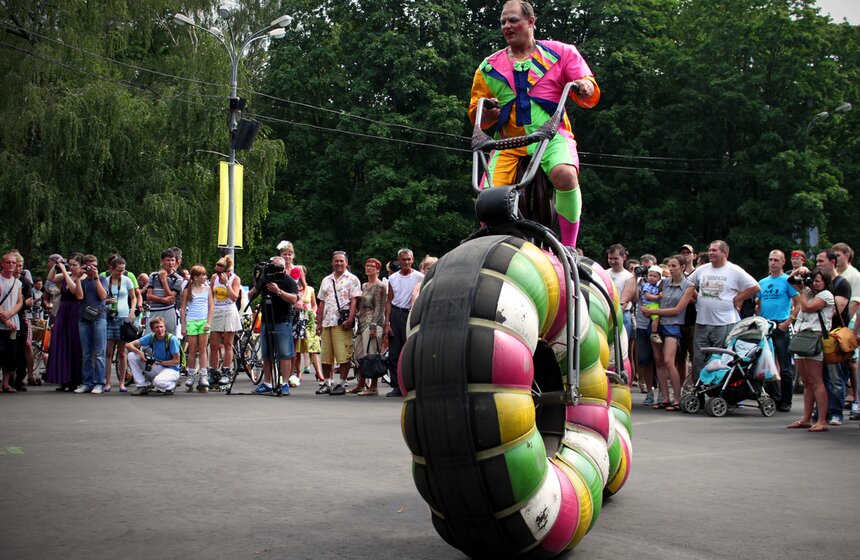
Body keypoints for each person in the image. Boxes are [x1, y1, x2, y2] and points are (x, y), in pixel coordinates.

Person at [468, 0, 600, 248]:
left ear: (531, 22)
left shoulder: (561, 53)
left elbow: (587, 85)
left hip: (551, 137)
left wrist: (585, 86)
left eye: (513, 20)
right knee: (487, 198)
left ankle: (569, 246)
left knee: (565, 174)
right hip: (507, 143)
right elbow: (477, 114)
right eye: (503, 22)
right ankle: (490, 246)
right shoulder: (487, 68)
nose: (507, 26)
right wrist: (487, 110)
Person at [687, 240, 760, 378]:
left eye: (714, 250)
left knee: (720, 359)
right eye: (709, 250)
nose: (710, 253)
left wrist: (739, 298)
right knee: (698, 359)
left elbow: (755, 287)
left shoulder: (734, 270)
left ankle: (718, 390)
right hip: (702, 321)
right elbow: (687, 285)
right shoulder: (702, 269)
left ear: (725, 253)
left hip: (724, 322)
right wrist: (697, 297)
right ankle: (700, 391)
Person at [643, 255, 695, 411]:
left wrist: (655, 311)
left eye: (674, 266)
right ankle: (665, 397)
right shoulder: (664, 283)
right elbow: (651, 295)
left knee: (668, 361)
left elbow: (678, 310)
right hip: (658, 324)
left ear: (682, 267)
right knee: (658, 361)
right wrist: (648, 309)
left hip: (673, 325)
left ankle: (677, 398)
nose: (670, 268)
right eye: (669, 266)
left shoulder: (689, 286)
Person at [786, 269, 834, 433]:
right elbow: (790, 281)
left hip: (814, 338)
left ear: (826, 282)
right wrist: (798, 272)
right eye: (813, 280)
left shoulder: (826, 295)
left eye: (818, 281)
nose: (814, 283)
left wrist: (802, 292)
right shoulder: (807, 291)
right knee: (806, 382)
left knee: (816, 381)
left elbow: (806, 307)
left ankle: (821, 420)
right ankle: (806, 418)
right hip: (801, 337)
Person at [755, 250, 799, 412]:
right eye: (770, 260)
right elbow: (758, 303)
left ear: (783, 262)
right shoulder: (763, 282)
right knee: (767, 364)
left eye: (775, 260)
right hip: (766, 326)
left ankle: (786, 400)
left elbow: (798, 303)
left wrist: (788, 322)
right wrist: (758, 318)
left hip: (781, 324)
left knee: (785, 365)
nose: (772, 263)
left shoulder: (787, 281)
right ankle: (774, 397)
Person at [248, 256, 299, 395]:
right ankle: (267, 383)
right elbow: (251, 295)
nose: (275, 270)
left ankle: (285, 383)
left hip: (283, 320)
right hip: (267, 320)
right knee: (267, 354)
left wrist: (278, 291)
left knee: (285, 353)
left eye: (278, 267)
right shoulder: (265, 279)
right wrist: (258, 281)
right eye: (273, 266)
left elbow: (294, 299)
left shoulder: (288, 280)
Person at [315, 251, 362, 396]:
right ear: (332, 263)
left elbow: (355, 300)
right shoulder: (326, 280)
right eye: (336, 261)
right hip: (327, 321)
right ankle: (327, 382)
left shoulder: (352, 279)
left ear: (346, 263)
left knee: (343, 354)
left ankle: (341, 383)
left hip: (342, 322)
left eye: (341, 261)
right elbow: (321, 302)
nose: (339, 263)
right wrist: (319, 321)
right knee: (326, 355)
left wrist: (351, 319)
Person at [384, 249, 425, 398]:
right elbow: (389, 301)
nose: (406, 262)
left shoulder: (420, 277)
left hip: (412, 314)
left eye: (409, 259)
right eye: (403, 260)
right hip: (397, 314)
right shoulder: (393, 278)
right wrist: (387, 322)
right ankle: (396, 386)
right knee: (394, 353)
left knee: (412, 351)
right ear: (398, 260)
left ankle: (413, 385)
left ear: (413, 260)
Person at [43, 253, 83, 392]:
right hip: (63, 310)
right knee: (61, 344)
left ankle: (75, 379)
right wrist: (56, 265)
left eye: (74, 265)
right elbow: (50, 279)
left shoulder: (81, 277)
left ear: (81, 265)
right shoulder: (66, 275)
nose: (71, 267)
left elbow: (75, 292)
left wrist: (65, 272)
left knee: (74, 345)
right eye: (69, 264)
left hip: (75, 311)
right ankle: (64, 378)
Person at [350, 258, 387, 396]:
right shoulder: (364, 285)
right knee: (359, 355)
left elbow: (379, 307)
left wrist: (374, 326)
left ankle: (374, 386)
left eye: (373, 266)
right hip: (361, 322)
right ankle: (361, 384)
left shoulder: (380, 286)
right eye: (367, 265)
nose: (369, 268)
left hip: (373, 323)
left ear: (378, 269)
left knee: (371, 355)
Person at [74, 254, 109, 394]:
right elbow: (79, 296)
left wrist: (95, 278)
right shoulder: (81, 280)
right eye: (89, 265)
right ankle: (86, 382)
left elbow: (103, 296)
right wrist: (78, 277)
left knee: (100, 353)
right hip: (84, 318)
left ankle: (99, 383)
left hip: (99, 317)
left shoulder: (101, 279)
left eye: (94, 265)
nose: (92, 268)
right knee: (86, 354)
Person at [208, 255, 242, 387]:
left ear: (227, 271)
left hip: (229, 311)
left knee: (228, 343)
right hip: (216, 310)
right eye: (216, 271)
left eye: (220, 272)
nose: (217, 274)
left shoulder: (235, 278)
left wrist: (226, 283)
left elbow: (234, 297)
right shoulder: (213, 278)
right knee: (214, 345)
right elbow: (211, 294)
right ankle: (214, 372)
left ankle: (226, 371)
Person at [127, 316, 182, 395]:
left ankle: (171, 385)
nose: (159, 329)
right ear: (152, 330)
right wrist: (139, 352)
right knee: (132, 355)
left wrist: (161, 362)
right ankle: (142, 385)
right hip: (157, 366)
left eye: (161, 327)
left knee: (158, 382)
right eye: (156, 327)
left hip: (171, 369)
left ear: (165, 327)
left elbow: (176, 361)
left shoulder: (172, 340)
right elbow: (129, 345)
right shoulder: (152, 337)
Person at [104, 257, 135, 393]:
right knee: (108, 351)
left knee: (122, 352)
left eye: (123, 270)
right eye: (118, 271)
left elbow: (133, 297)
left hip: (123, 316)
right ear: (111, 268)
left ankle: (122, 382)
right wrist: (106, 302)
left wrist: (132, 311)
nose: (121, 273)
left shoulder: (127, 280)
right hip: (108, 316)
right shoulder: (105, 281)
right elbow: (99, 298)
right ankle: (107, 382)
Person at [181, 265, 213, 392]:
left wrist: (208, 322)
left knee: (203, 348)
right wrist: (183, 326)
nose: (205, 277)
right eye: (203, 275)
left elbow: (211, 306)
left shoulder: (208, 289)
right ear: (195, 277)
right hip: (191, 321)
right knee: (192, 349)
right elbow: (183, 308)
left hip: (203, 321)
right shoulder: (187, 291)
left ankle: (203, 375)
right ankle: (191, 375)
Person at [292, 265, 322, 386]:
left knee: (313, 347)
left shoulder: (309, 289)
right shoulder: (292, 287)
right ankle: (298, 371)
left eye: (301, 273)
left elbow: (315, 304)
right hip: (297, 319)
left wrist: (313, 313)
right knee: (298, 348)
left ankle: (318, 372)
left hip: (308, 320)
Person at [0, 250, 23, 392]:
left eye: (13, 263)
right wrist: (4, 318)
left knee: (10, 354)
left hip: (13, 324)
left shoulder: (17, 282)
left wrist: (11, 313)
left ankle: (6, 383)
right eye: (8, 262)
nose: (11, 265)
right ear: (2, 264)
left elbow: (20, 301)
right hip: (2, 324)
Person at [146, 249, 183, 336]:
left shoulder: (178, 278)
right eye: (168, 260)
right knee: (150, 337)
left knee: (169, 337)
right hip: (155, 310)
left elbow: (170, 298)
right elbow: (149, 296)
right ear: (162, 261)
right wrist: (163, 300)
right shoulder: (153, 275)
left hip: (169, 311)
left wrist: (163, 280)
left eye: (172, 260)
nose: (170, 263)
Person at [640, 266, 663, 344]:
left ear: (659, 278)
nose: (652, 278)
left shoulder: (656, 286)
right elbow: (647, 296)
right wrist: (658, 297)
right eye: (650, 275)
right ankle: (654, 333)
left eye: (655, 276)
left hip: (653, 303)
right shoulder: (647, 285)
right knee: (656, 317)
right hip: (649, 304)